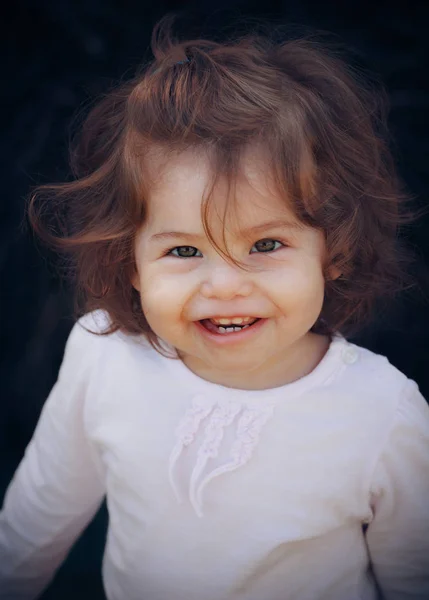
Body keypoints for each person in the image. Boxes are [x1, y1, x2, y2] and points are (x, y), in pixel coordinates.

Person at [1, 13, 429, 600]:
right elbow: (37, 517)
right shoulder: (105, 357)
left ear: (333, 249)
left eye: (266, 245)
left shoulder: (383, 412)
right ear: (130, 260)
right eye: (183, 249)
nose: (225, 286)